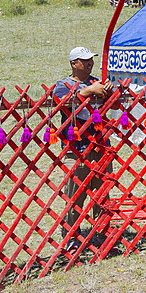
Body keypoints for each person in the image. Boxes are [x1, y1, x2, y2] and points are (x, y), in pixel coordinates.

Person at [53, 47, 114, 249]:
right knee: (74, 196)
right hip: (75, 148)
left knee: (102, 194)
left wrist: (110, 91)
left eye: (91, 60)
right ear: (73, 63)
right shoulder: (63, 85)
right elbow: (63, 103)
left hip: (100, 146)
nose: (89, 64)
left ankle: (102, 233)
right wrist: (88, 91)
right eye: (84, 60)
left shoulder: (98, 81)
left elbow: (115, 106)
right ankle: (71, 237)